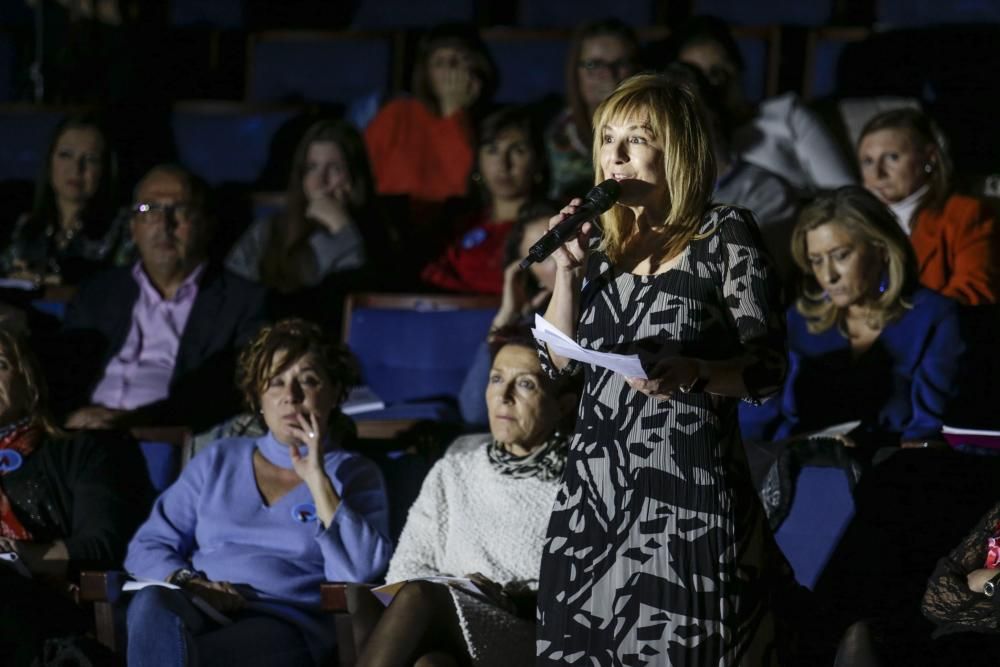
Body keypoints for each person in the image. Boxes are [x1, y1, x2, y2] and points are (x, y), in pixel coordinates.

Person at [536, 73, 789, 665]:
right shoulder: (597, 246)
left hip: (688, 503)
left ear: (676, 150)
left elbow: (768, 369)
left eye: (636, 139)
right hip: (593, 501)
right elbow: (560, 368)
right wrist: (567, 274)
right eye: (607, 139)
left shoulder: (724, 233)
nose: (615, 155)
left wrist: (694, 371)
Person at [124, 319, 392, 667]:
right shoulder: (219, 457)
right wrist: (190, 582)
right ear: (259, 399)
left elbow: (360, 572)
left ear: (334, 393)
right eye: (276, 382)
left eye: (308, 381)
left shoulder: (355, 473)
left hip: (284, 620)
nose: (290, 396)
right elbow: (146, 545)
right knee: (150, 605)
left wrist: (316, 477)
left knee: (197, 657)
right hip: (201, 601)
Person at [352, 327, 579, 667]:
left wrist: (505, 598)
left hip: (531, 632)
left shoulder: (582, 477)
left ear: (563, 405)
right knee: (430, 664)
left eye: (526, 384)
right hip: (444, 622)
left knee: (421, 597)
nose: (504, 396)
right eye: (496, 379)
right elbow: (404, 569)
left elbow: (581, 593)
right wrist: (460, 589)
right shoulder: (457, 464)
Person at [56, 163, 267, 432]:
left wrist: (133, 422)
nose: (164, 224)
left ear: (207, 225)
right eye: (149, 209)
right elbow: (65, 376)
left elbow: (227, 394)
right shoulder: (97, 293)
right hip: (82, 433)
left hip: (168, 438)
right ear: (133, 227)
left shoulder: (243, 302)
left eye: (181, 210)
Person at [758, 186, 963, 450]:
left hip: (897, 473)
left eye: (840, 255)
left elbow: (929, 432)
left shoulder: (934, 316)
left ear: (881, 249)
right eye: (816, 261)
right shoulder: (796, 321)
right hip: (801, 470)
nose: (829, 276)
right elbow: (755, 429)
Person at [0, 327, 150, 667]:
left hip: (48, 605)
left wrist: (19, 556)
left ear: (31, 381)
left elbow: (103, 543)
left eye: (0, 364)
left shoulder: (81, 449)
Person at [675, 15, 855, 194]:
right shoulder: (685, 143)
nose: (712, 85)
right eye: (698, 78)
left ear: (739, 70)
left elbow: (845, 193)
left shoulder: (787, 114)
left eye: (719, 72)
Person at [857, 108, 999, 305]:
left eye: (892, 158)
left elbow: (974, 293)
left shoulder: (966, 214)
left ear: (930, 157)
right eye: (868, 161)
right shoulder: (854, 223)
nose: (877, 174)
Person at [226, 118, 370, 293]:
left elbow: (360, 304)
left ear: (354, 178)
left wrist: (343, 228)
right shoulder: (269, 231)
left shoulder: (379, 235)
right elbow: (231, 293)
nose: (320, 181)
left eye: (335, 169)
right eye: (312, 168)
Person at [365, 23, 497, 210]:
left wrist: (453, 112)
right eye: (440, 63)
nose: (450, 71)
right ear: (426, 72)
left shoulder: (491, 122)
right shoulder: (396, 114)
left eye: (458, 61)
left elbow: (461, 188)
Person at [421, 106, 548, 294]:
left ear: (537, 162)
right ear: (478, 161)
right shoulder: (459, 221)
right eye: (492, 150)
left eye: (518, 151)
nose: (503, 164)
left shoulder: (547, 228)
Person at [457, 201, 558, 425]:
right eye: (547, 255)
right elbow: (475, 411)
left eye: (566, 242)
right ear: (531, 276)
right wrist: (506, 318)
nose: (564, 258)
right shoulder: (531, 325)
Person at [1, 113, 126, 285]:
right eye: (65, 155)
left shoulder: (123, 227)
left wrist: (57, 280)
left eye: (90, 159)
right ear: (50, 161)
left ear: (104, 169)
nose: (76, 169)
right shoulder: (27, 228)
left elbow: (125, 286)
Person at [546, 18, 640, 200]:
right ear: (576, 71)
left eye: (620, 64)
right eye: (594, 65)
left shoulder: (656, 128)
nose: (609, 75)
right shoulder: (558, 133)